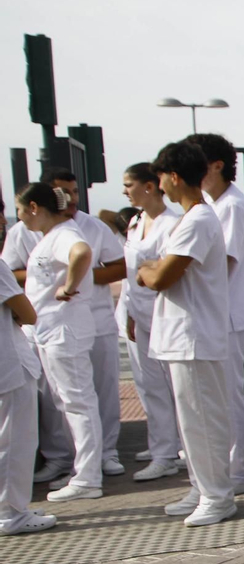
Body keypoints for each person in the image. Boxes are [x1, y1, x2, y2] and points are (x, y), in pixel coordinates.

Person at [140, 142, 237, 527]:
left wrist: (147, 270)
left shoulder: (198, 220)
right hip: (183, 335)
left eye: (162, 177)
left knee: (202, 417)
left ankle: (217, 495)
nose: (160, 185)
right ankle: (203, 486)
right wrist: (152, 267)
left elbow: (162, 275)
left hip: (194, 335)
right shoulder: (190, 219)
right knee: (190, 419)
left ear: (174, 176)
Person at [16, 183, 101, 502]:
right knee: (68, 402)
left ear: (35, 207)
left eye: (21, 209)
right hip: (51, 331)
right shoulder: (50, 237)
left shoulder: (65, 233)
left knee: (78, 401)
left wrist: (69, 286)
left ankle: (89, 476)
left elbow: (82, 252)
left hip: (64, 330)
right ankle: (83, 470)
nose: (20, 216)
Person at [191, 133, 244, 491]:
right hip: (216, 313)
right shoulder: (212, 203)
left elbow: (224, 262)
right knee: (218, 394)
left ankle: (236, 470)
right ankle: (224, 467)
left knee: (228, 394)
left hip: (228, 313)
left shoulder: (232, 206)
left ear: (215, 165)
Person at [45, 167, 127, 481]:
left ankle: (107, 452)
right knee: (60, 396)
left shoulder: (93, 227)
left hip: (97, 320)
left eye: (75, 192)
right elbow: (13, 271)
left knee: (103, 389)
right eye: (63, 193)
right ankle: (65, 457)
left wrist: (77, 277)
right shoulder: (29, 229)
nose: (71, 199)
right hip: (54, 325)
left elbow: (119, 267)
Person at [117, 163, 183, 482]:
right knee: (152, 386)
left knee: (176, 387)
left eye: (129, 184)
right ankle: (163, 452)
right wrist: (130, 312)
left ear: (149, 186)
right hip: (140, 313)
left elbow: (164, 271)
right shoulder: (135, 222)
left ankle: (181, 448)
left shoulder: (171, 223)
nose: (124, 190)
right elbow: (134, 275)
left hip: (164, 313)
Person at [0, 259, 51, 534]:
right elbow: (28, 314)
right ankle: (11, 515)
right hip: (8, 364)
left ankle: (12, 507)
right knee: (15, 443)